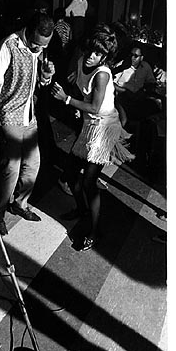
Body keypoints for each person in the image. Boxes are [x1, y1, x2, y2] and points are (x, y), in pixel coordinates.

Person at [51, 24, 135, 251]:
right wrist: (75, 92)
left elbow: (96, 107)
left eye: (97, 54)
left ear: (105, 56)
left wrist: (67, 99)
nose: (90, 57)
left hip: (104, 127)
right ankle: (82, 210)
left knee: (88, 181)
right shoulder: (81, 62)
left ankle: (95, 231)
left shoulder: (103, 74)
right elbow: (83, 91)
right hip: (89, 125)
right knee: (69, 174)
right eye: (89, 51)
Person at [0, 12, 55, 235]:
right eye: (36, 44)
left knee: (33, 164)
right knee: (11, 168)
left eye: (44, 46)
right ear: (28, 30)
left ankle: (20, 203)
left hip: (29, 115)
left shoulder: (39, 49)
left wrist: (46, 76)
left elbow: (39, 83)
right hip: (9, 115)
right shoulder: (8, 46)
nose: (39, 49)